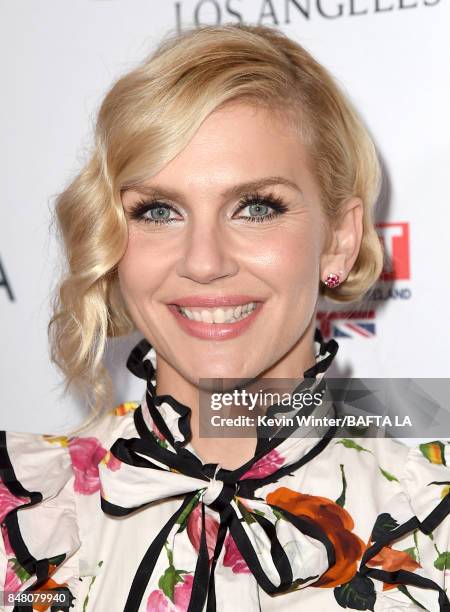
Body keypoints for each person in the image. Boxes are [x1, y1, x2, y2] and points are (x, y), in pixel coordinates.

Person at [1, 23, 449, 612]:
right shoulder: (23, 508)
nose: (204, 262)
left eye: (256, 207)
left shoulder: (431, 527)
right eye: (158, 211)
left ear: (339, 240)